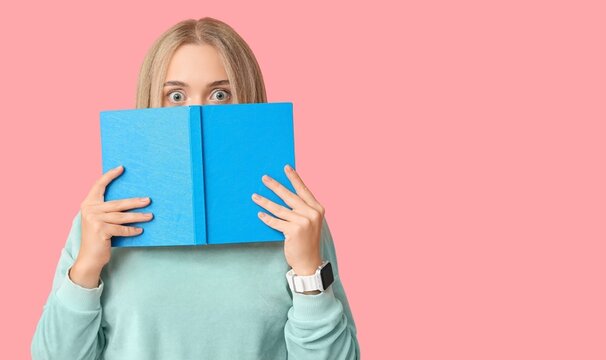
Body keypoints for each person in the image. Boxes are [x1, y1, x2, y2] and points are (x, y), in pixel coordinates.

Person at [30, 17, 360, 359]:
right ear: (151, 104)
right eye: (176, 95)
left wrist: (308, 274)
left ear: (248, 101)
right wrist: (86, 268)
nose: (197, 111)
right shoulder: (102, 221)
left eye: (220, 94)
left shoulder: (294, 221)